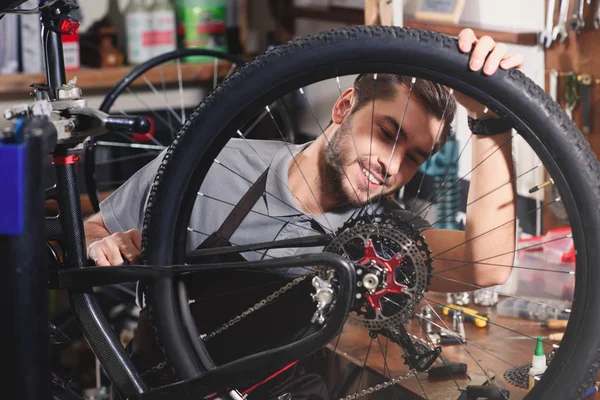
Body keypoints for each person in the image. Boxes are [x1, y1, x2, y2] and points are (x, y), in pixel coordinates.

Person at [85, 28, 523, 397]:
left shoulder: (379, 236)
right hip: (161, 386)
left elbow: (485, 266)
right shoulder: (212, 164)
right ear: (343, 107)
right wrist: (106, 247)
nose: (392, 165)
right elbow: (95, 228)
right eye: (386, 133)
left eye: (413, 157)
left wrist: (491, 121)